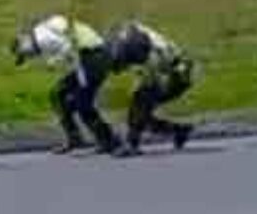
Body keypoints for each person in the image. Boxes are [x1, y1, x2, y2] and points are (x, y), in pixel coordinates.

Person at [11, 14, 120, 155]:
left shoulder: (42, 39)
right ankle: (75, 137)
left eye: (25, 54)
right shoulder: (41, 32)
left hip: (94, 57)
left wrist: (55, 61)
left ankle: (109, 141)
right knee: (59, 93)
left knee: (82, 103)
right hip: (88, 59)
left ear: (24, 41)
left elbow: (68, 46)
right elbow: (71, 49)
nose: (29, 57)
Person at [101, 21, 196, 156]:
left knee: (140, 103)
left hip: (179, 74)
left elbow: (153, 76)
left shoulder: (144, 50)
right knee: (140, 111)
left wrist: (143, 87)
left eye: (123, 64)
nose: (124, 68)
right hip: (172, 70)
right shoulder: (134, 38)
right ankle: (179, 130)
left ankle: (132, 145)